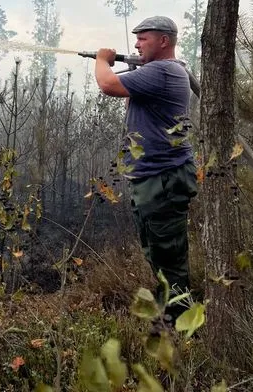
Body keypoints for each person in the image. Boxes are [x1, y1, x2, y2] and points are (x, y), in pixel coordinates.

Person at [94, 16, 197, 320]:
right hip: (152, 177)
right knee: (158, 250)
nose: (137, 44)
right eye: (136, 38)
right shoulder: (159, 73)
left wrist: (102, 59)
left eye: (144, 38)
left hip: (163, 178)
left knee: (169, 255)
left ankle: (181, 320)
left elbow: (107, 84)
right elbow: (130, 100)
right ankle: (174, 309)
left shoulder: (164, 70)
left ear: (164, 41)